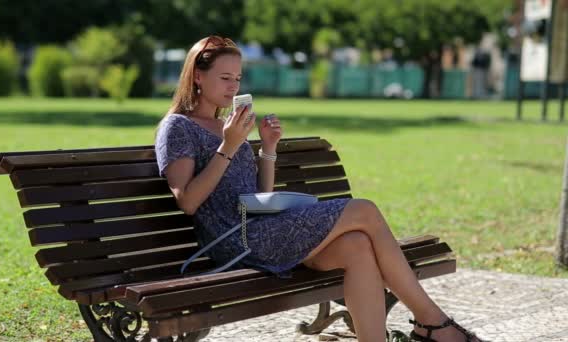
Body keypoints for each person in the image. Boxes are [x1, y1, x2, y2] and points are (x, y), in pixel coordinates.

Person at [154, 35, 484, 342]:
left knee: (356, 246)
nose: (233, 86)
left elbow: (260, 198)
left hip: (260, 229)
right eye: (225, 78)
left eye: (238, 79)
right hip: (233, 242)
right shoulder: (178, 128)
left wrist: (268, 147)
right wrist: (228, 146)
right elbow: (188, 201)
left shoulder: (229, 127)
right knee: (364, 210)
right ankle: (431, 322)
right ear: (197, 76)